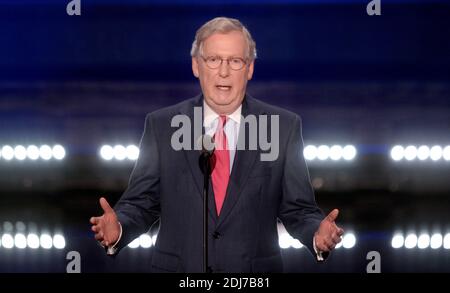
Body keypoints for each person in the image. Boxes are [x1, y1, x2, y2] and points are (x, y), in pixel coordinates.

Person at [90, 17, 343, 273]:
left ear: (250, 68)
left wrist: (317, 235)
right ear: (196, 66)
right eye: (213, 60)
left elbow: (298, 209)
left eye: (235, 61)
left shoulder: (282, 127)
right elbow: (141, 203)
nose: (223, 71)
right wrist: (119, 227)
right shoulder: (162, 126)